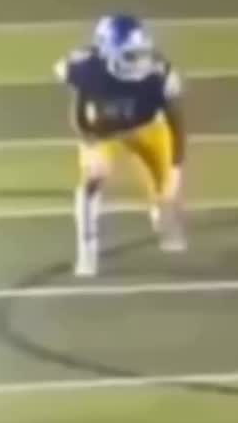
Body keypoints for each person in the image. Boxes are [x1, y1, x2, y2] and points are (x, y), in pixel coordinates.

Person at [54, 14, 186, 277]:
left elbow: (175, 119)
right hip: (103, 131)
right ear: (107, 53)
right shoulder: (87, 68)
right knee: (92, 179)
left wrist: (176, 166)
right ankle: (87, 247)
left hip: (147, 127)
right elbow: (79, 106)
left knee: (167, 188)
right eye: (130, 55)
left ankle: (163, 217)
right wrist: (89, 143)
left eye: (140, 53)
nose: (138, 62)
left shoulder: (158, 74)